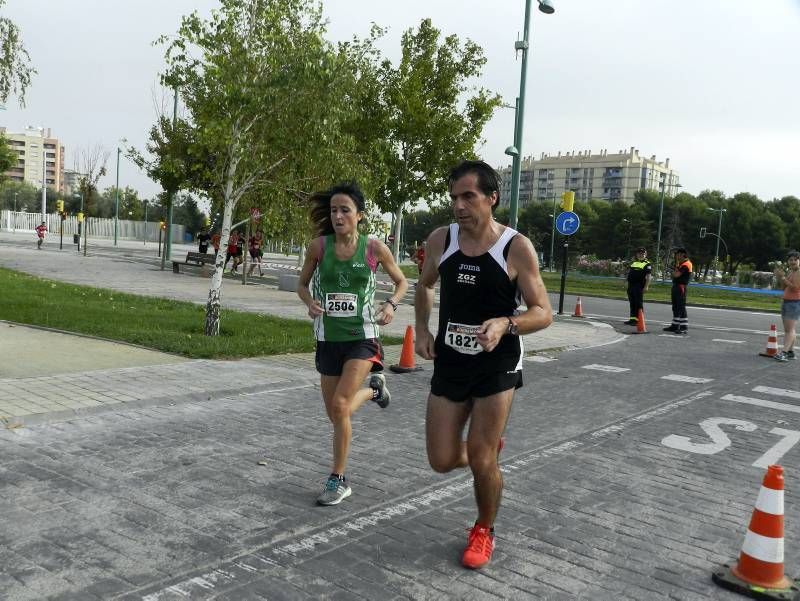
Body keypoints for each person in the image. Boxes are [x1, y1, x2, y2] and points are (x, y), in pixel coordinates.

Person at [414, 160, 553, 569]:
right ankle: (482, 452)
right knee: (441, 459)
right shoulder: (442, 239)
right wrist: (422, 329)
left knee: (482, 457)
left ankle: (484, 529)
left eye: (468, 197)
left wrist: (507, 324)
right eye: (454, 197)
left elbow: (543, 311)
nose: (459, 205)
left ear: (492, 198)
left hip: (497, 362)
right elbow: (423, 285)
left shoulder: (515, 247)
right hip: (451, 360)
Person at [297, 182, 408, 506]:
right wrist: (309, 302)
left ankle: (338, 479)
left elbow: (402, 282)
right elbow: (302, 285)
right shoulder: (318, 247)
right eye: (333, 210)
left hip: (362, 337)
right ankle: (374, 391)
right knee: (336, 413)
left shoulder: (373, 248)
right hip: (328, 337)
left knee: (341, 406)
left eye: (345, 210)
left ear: (360, 216)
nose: (338, 215)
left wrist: (391, 305)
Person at [775, 250, 800, 362]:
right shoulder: (790, 271)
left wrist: (784, 278)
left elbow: (795, 287)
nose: (793, 261)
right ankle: (790, 352)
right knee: (789, 330)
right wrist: (780, 277)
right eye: (791, 259)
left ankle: (784, 353)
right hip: (786, 301)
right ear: (788, 261)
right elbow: (783, 288)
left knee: (789, 330)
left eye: (795, 259)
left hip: (794, 303)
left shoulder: (799, 272)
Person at [663, 247, 692, 334]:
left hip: (681, 287)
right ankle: (675, 325)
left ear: (683, 254)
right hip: (676, 286)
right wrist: (673, 269)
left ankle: (684, 327)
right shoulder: (681, 264)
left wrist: (671, 271)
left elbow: (676, 275)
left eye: (678, 254)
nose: (676, 256)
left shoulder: (686, 264)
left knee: (681, 306)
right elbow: (676, 273)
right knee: (675, 306)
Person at [624, 247, 652, 325]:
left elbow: (649, 276)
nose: (641, 255)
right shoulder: (634, 263)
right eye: (639, 253)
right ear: (637, 254)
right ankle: (632, 319)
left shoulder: (647, 264)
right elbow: (629, 273)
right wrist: (626, 282)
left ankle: (639, 320)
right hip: (631, 285)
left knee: (638, 303)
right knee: (632, 302)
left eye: (643, 253)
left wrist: (646, 286)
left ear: (645, 254)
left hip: (639, 286)